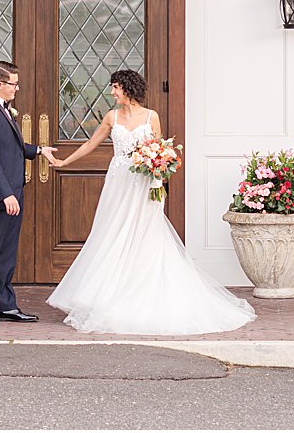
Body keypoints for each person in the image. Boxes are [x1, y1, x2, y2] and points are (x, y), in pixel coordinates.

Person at [44, 68, 256, 335]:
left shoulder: (151, 116)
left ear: (128, 89)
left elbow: (161, 150)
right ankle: (107, 295)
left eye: (115, 88)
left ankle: (142, 291)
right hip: (119, 184)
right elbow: (91, 144)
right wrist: (64, 161)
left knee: (146, 234)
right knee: (112, 233)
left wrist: (159, 177)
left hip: (145, 184)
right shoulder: (112, 117)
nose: (112, 92)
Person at [0, 60, 55, 329]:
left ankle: (6, 307)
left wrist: (39, 150)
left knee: (7, 254)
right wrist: (5, 194)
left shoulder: (3, 110)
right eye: (14, 84)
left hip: (13, 193)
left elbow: (12, 147)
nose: (17, 89)